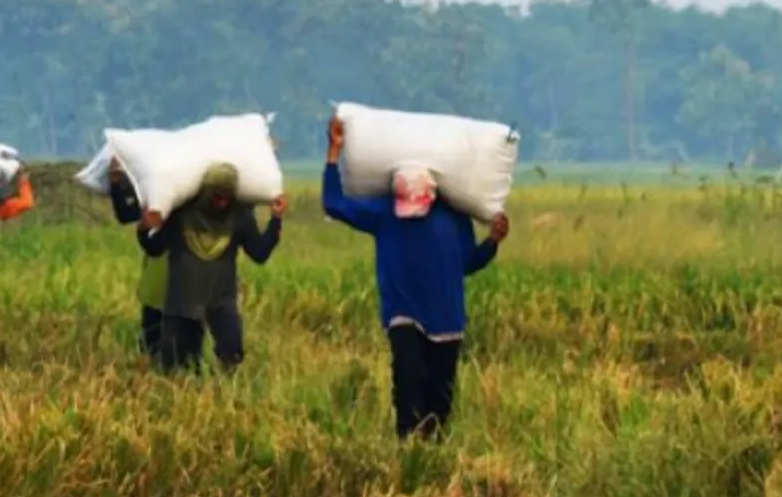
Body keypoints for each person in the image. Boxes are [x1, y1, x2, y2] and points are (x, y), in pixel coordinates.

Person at [321, 118, 509, 440]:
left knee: (440, 399)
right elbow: (334, 204)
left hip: (446, 320)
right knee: (408, 383)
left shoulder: (454, 218)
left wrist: (492, 242)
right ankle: (406, 451)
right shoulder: (383, 213)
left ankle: (433, 457)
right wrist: (334, 151)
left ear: (433, 194)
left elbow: (466, 263)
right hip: (403, 314)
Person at [138, 163, 284, 373]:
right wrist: (144, 229)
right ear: (206, 192)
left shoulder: (239, 217)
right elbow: (154, 248)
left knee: (232, 356)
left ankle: (225, 400)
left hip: (221, 300)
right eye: (217, 196)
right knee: (175, 369)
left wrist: (276, 221)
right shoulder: (181, 216)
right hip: (182, 303)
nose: (222, 202)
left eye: (227, 197)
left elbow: (259, 253)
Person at [105, 159, 166, 357]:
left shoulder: (196, 200)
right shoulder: (155, 198)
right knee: (153, 331)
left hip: (184, 278)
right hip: (157, 276)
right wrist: (117, 184)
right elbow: (127, 214)